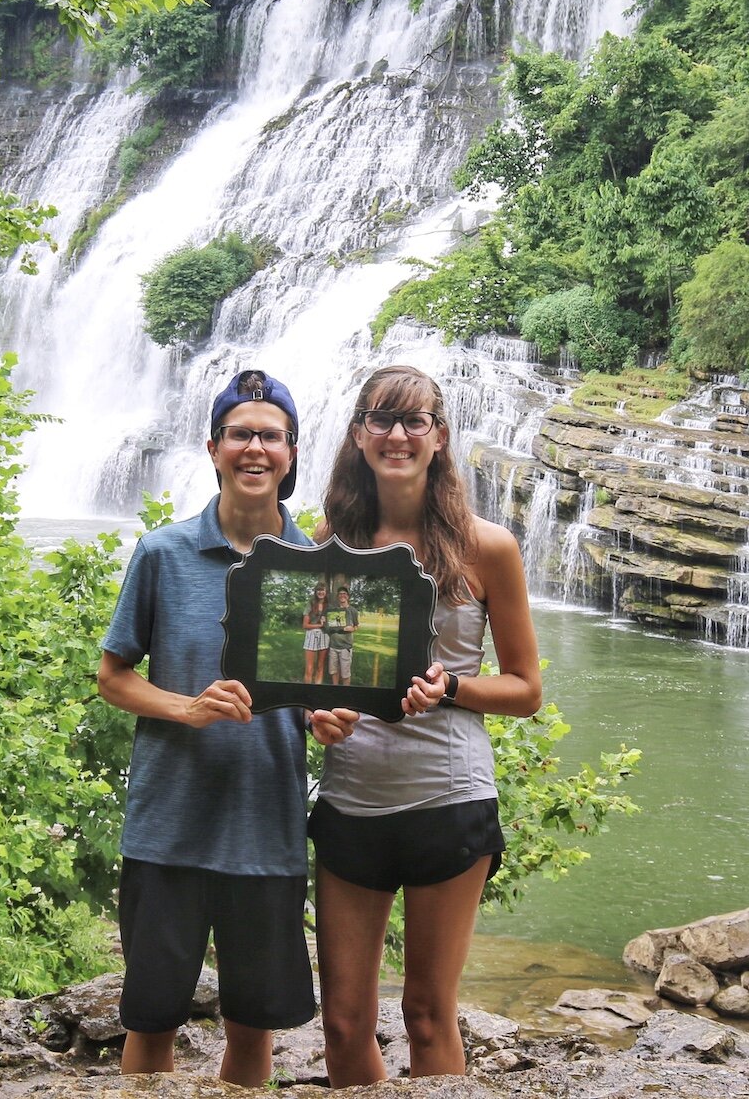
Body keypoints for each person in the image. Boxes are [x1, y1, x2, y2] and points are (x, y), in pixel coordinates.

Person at [97, 368, 358, 1084]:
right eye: (240, 433)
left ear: (292, 453)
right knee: (150, 1021)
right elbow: (113, 676)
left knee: (252, 1034)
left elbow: (318, 697)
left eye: (269, 436)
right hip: (167, 830)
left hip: (264, 833)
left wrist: (328, 720)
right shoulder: (162, 553)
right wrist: (185, 706)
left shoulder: (317, 570)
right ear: (213, 447)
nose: (255, 448)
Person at [308, 365, 542, 1085]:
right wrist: (318, 713)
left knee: (427, 1013)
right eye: (382, 418)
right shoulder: (330, 540)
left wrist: (453, 688)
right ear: (358, 434)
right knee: (344, 1021)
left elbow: (527, 688)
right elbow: (317, 668)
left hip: (448, 800)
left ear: (439, 437)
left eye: (415, 421)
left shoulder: (486, 547)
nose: (398, 434)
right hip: (351, 799)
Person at [325, 585, 359, 686]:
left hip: (346, 647)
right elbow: (328, 624)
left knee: (345, 674)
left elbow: (357, 626)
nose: (342, 595)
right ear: (338, 596)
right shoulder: (333, 610)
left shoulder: (353, 611)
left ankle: (346, 692)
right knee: (333, 671)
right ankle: (335, 689)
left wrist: (352, 629)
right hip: (333, 646)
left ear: (348, 596)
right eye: (340, 594)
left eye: (344, 594)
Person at [303, 583, 330, 684]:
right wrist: (320, 625)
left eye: (322, 590)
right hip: (311, 634)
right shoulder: (311, 603)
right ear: (315, 592)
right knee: (309, 668)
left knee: (320, 666)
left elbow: (332, 622)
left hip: (324, 635)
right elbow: (305, 625)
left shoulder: (328, 606)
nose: (320, 592)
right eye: (318, 590)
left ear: (326, 592)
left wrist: (326, 622)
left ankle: (318, 690)